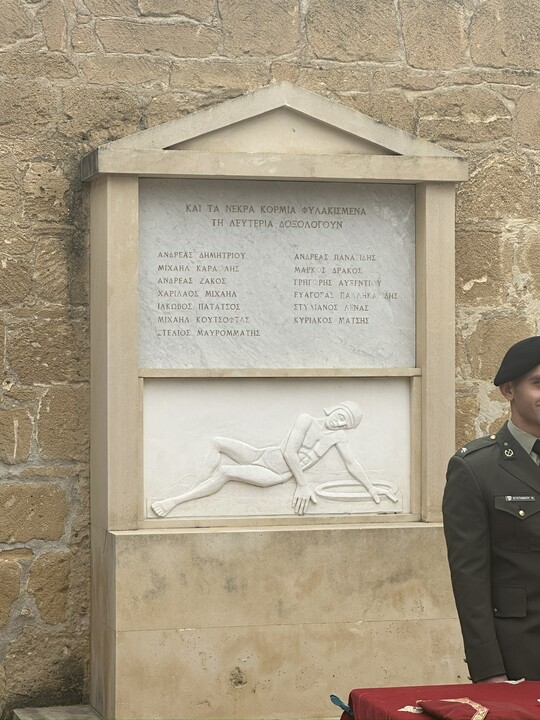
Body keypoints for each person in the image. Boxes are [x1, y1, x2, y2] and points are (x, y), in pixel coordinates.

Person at [443, 336, 540, 683]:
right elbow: (470, 581)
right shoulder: (475, 468)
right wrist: (489, 673)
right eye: (538, 383)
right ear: (508, 390)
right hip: (522, 658)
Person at [151, 400, 398, 517]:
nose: (340, 423)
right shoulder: (306, 419)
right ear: (335, 409)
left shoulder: (337, 437)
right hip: (263, 455)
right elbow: (289, 451)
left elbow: (351, 463)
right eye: (341, 416)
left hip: (275, 474)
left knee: (226, 472)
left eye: (346, 423)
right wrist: (303, 484)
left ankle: (175, 501)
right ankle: (195, 490)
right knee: (218, 442)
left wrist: (371, 488)